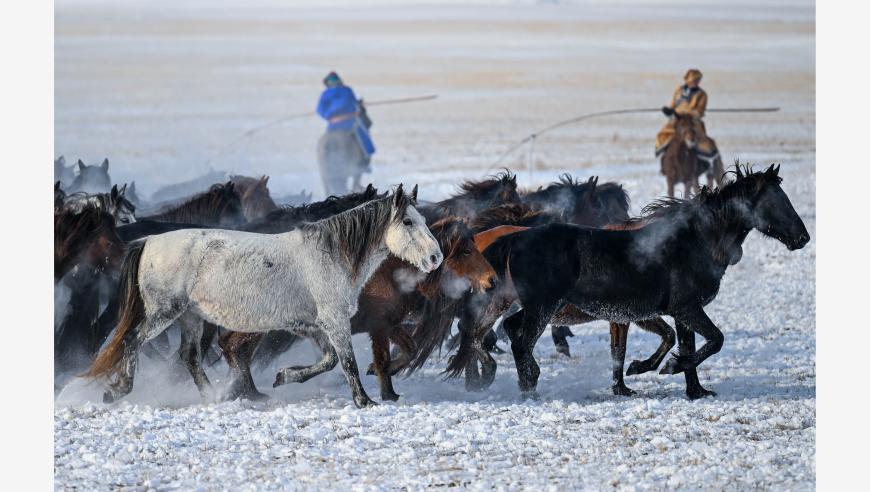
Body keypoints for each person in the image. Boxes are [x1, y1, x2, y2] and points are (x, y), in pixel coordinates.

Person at [315, 72, 375, 195]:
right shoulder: (347, 90)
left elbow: (320, 110)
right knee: (364, 139)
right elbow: (354, 104)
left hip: (332, 126)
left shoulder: (325, 94)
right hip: (349, 124)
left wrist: (330, 117)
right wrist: (359, 106)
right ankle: (364, 163)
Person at [655, 69, 721, 170]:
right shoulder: (679, 90)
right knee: (663, 136)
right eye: (694, 79)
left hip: (692, 122)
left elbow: (699, 112)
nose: (696, 82)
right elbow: (673, 105)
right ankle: (666, 163)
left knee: (698, 140)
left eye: (698, 80)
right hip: (677, 121)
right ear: (688, 80)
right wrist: (669, 111)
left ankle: (705, 163)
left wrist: (680, 112)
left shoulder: (702, 94)